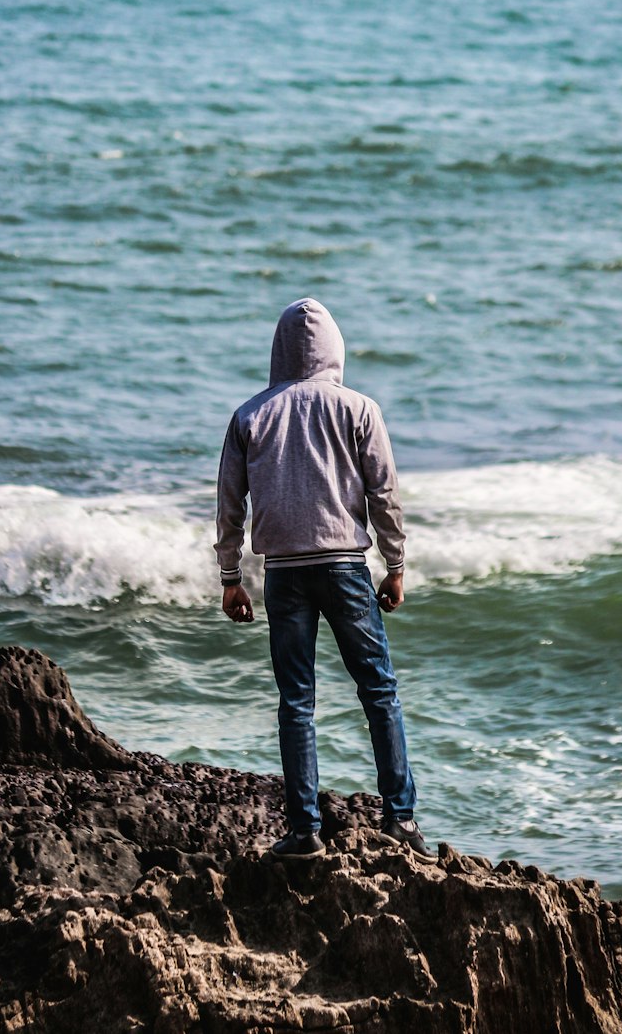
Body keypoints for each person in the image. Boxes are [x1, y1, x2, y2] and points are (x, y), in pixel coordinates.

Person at [215, 296, 433, 860]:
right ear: (335, 348)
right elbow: (385, 494)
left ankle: (305, 830)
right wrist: (397, 564)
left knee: (296, 702)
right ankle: (401, 819)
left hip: (284, 574)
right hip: (345, 568)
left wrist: (231, 576)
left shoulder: (250, 415)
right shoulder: (360, 409)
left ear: (280, 349)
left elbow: (229, 506)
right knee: (379, 691)